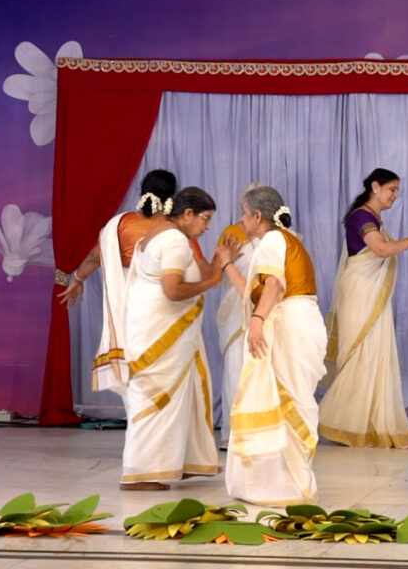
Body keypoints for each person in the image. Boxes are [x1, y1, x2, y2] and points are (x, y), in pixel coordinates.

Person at [120, 187, 236, 490]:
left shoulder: (159, 233)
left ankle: (180, 463)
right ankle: (140, 474)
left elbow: (198, 274)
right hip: (162, 336)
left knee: (185, 395)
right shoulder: (175, 241)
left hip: (156, 330)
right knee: (159, 399)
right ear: (187, 214)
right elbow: (172, 290)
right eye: (205, 219)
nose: (207, 226)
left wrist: (218, 262)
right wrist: (214, 279)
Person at [58, 170, 210, 394]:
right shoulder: (175, 229)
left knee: (140, 374)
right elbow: (202, 269)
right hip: (169, 305)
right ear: (173, 197)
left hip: (133, 310)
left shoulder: (120, 225)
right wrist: (222, 266)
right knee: (169, 371)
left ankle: (143, 420)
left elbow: (94, 258)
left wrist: (78, 279)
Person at [221, 187, 326, 506]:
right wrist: (228, 265)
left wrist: (256, 321)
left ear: (257, 216)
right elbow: (255, 292)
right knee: (288, 398)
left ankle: (287, 485)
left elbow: (274, 285)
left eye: (243, 213)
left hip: (289, 323)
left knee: (287, 397)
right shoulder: (285, 241)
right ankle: (281, 482)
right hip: (298, 320)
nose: (241, 220)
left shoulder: (272, 240)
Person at [318, 168, 408, 448]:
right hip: (359, 292)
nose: (395, 196)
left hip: (372, 295)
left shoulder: (374, 218)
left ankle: (365, 424)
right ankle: (342, 423)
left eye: (397, 191)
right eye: (392, 189)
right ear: (375, 186)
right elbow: (380, 249)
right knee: (360, 352)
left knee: (375, 353)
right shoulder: (361, 216)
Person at [214, 182, 265, 448]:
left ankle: (261, 430)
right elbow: (216, 272)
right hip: (235, 312)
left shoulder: (276, 234)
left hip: (265, 311)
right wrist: (228, 260)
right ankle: (234, 434)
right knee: (235, 367)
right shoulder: (231, 233)